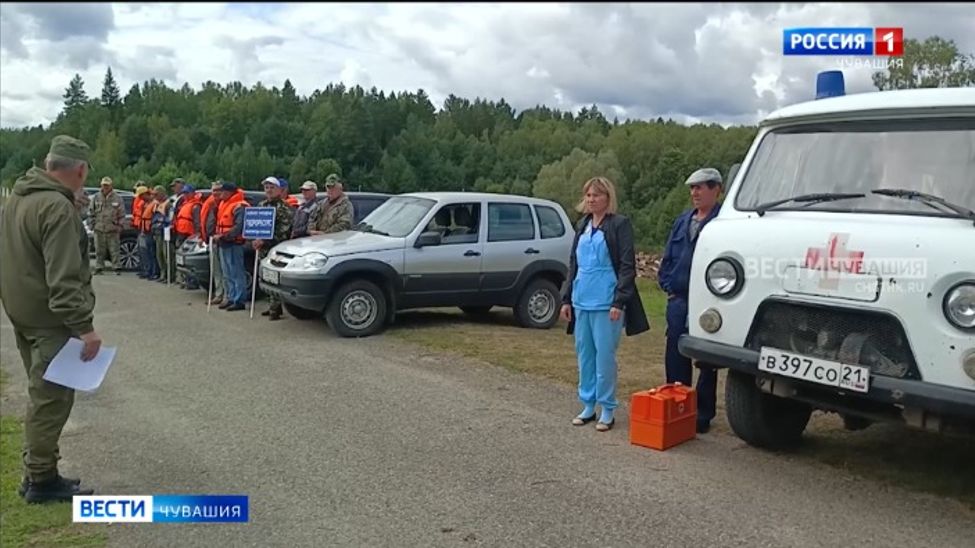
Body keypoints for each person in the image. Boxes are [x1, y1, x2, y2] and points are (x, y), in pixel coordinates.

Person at [0, 135, 99, 503]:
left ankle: (39, 470)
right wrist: (85, 328)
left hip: (23, 314)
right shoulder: (56, 208)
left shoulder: (18, 199)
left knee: (41, 394)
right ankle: (40, 478)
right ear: (80, 170)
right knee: (51, 400)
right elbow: (64, 278)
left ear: (48, 164)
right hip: (50, 321)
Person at [560, 176, 649, 432]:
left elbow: (626, 265)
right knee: (584, 354)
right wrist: (566, 298)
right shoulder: (582, 225)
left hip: (606, 301)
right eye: (588, 195)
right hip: (581, 300)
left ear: (607, 198)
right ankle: (588, 403)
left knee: (604, 356)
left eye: (597, 195)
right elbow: (573, 265)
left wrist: (619, 300)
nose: (591, 200)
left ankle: (607, 407)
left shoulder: (618, 225)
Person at [658, 167, 723, 434]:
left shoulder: (725, 223)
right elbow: (669, 256)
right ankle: (677, 407)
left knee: (706, 360)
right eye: (692, 188)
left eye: (700, 187)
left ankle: (703, 415)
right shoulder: (683, 220)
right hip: (679, 299)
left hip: (707, 301)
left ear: (716, 189)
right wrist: (667, 282)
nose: (694, 193)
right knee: (675, 355)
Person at [255, 177, 295, 320]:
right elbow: (255, 226)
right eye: (266, 187)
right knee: (265, 278)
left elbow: (282, 232)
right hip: (262, 249)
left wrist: (264, 241)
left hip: (277, 250)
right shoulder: (261, 205)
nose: (269, 190)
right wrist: (254, 239)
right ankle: (273, 306)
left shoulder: (284, 209)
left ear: (279, 190)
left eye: (272, 187)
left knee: (274, 278)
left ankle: (275, 308)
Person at [215, 182, 248, 311]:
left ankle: (239, 300)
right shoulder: (225, 204)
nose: (220, 194)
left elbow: (239, 227)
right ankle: (231, 297)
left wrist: (223, 236)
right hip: (224, 243)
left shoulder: (239, 206)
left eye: (222, 191)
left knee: (236, 273)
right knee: (227, 273)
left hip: (234, 243)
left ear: (229, 192)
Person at [90, 176, 124, 275]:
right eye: (104, 185)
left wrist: (120, 226)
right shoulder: (96, 197)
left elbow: (122, 214)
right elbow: (91, 212)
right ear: (101, 185)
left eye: (107, 185)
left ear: (111, 186)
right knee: (99, 250)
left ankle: (117, 267)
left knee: (115, 250)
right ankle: (99, 267)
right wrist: (92, 224)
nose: (105, 187)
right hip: (99, 228)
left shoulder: (117, 198)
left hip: (112, 228)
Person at [172, 184, 203, 289]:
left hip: (190, 236)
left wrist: (197, 234)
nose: (185, 195)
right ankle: (185, 280)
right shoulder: (185, 204)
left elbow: (198, 222)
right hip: (181, 234)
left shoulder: (195, 206)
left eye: (187, 193)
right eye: (184, 193)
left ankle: (193, 282)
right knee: (182, 260)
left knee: (189, 261)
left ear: (192, 193)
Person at [200, 181, 225, 305]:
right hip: (210, 241)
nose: (215, 193)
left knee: (224, 270)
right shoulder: (211, 204)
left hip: (221, 241)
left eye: (218, 190)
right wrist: (202, 236)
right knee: (216, 270)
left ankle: (225, 295)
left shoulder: (223, 204)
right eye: (214, 190)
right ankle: (219, 294)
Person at [150, 186, 171, 283]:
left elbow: (170, 218)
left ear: (162, 193)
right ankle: (162, 274)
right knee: (159, 254)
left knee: (166, 254)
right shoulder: (156, 204)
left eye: (156, 194)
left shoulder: (168, 204)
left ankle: (169, 275)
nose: (154, 196)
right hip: (157, 232)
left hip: (165, 232)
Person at [138, 186, 160, 280]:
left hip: (151, 232)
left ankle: (154, 272)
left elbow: (156, 218)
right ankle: (148, 271)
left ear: (145, 194)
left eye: (141, 196)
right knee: (146, 253)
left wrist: (154, 232)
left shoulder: (155, 204)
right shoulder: (146, 204)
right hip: (145, 231)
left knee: (153, 253)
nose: (140, 199)